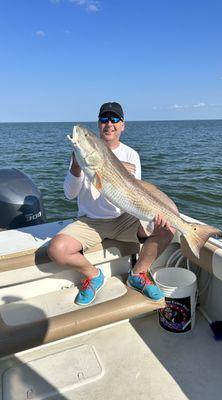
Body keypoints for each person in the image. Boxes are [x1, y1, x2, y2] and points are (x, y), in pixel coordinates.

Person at [47, 102, 176, 306]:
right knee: (56, 249)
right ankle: (93, 275)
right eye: (104, 119)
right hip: (90, 222)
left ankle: (138, 274)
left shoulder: (131, 155)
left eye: (115, 119)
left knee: (167, 230)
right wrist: (76, 165)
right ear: (99, 125)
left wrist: (153, 216)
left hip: (123, 218)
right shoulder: (81, 154)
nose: (109, 123)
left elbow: (135, 195)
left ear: (122, 125)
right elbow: (69, 194)